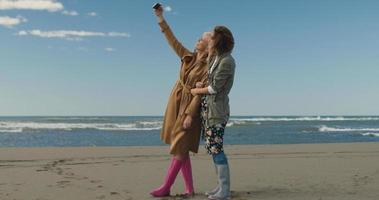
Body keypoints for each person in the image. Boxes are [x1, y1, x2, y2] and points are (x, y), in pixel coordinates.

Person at [150, 5, 212, 197]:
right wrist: (161, 18)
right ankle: (189, 189)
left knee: (180, 145)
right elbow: (172, 40)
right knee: (181, 147)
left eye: (202, 39)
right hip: (176, 101)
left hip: (189, 108)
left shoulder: (209, 67)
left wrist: (190, 115)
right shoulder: (188, 57)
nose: (198, 39)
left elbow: (200, 93)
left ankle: (166, 187)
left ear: (209, 45)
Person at [191, 25, 236, 200]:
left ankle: (224, 190)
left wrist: (197, 91)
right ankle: (220, 186)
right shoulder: (216, 58)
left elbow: (215, 88)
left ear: (218, 41)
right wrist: (202, 86)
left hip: (217, 111)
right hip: (209, 111)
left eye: (211, 38)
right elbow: (210, 81)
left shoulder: (227, 61)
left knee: (217, 150)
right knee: (212, 149)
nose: (208, 40)